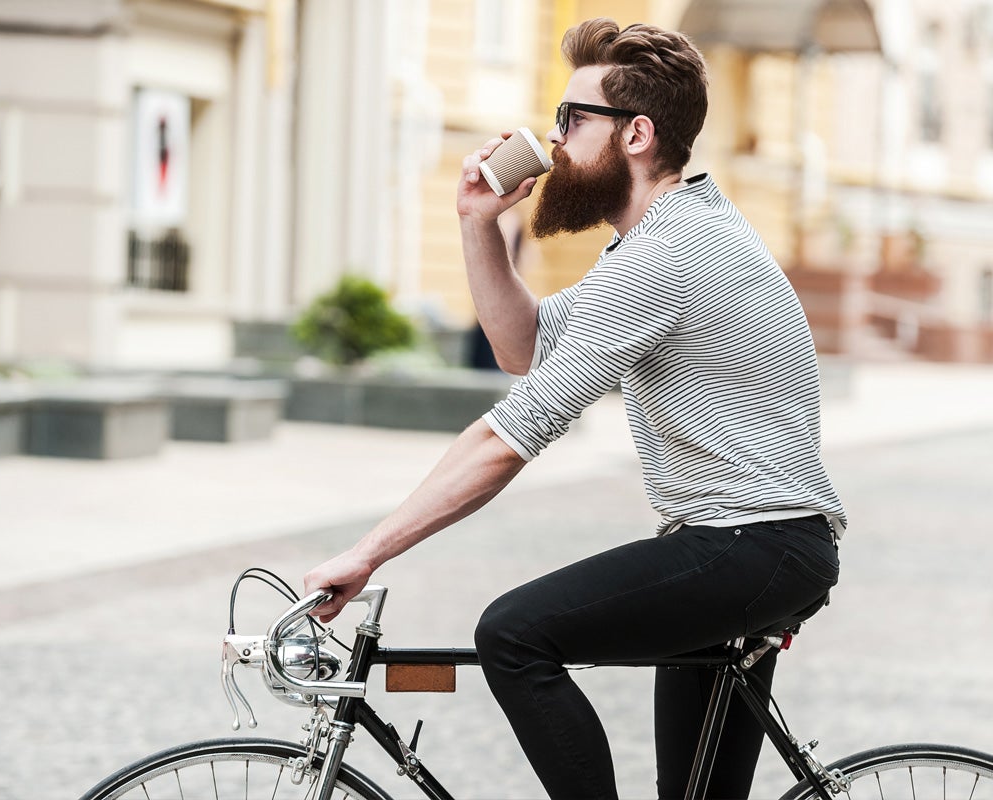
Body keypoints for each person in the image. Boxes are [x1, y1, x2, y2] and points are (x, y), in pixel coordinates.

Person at [304, 17, 847, 800]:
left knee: (514, 633)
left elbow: (514, 430)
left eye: (571, 119)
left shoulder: (670, 255)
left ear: (636, 135)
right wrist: (477, 224)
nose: (553, 139)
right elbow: (526, 346)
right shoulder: (663, 240)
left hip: (749, 544)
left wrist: (368, 552)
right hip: (755, 546)